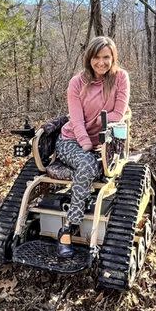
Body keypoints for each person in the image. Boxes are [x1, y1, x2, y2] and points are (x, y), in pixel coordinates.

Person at [55, 36, 130, 257]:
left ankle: (82, 190)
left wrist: (100, 134)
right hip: (71, 140)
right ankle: (68, 228)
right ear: (89, 58)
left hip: (105, 141)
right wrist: (87, 144)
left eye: (106, 57)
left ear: (113, 58)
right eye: (97, 57)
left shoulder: (121, 78)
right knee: (87, 167)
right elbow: (76, 120)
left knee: (91, 167)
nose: (101, 62)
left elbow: (118, 113)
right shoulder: (77, 82)